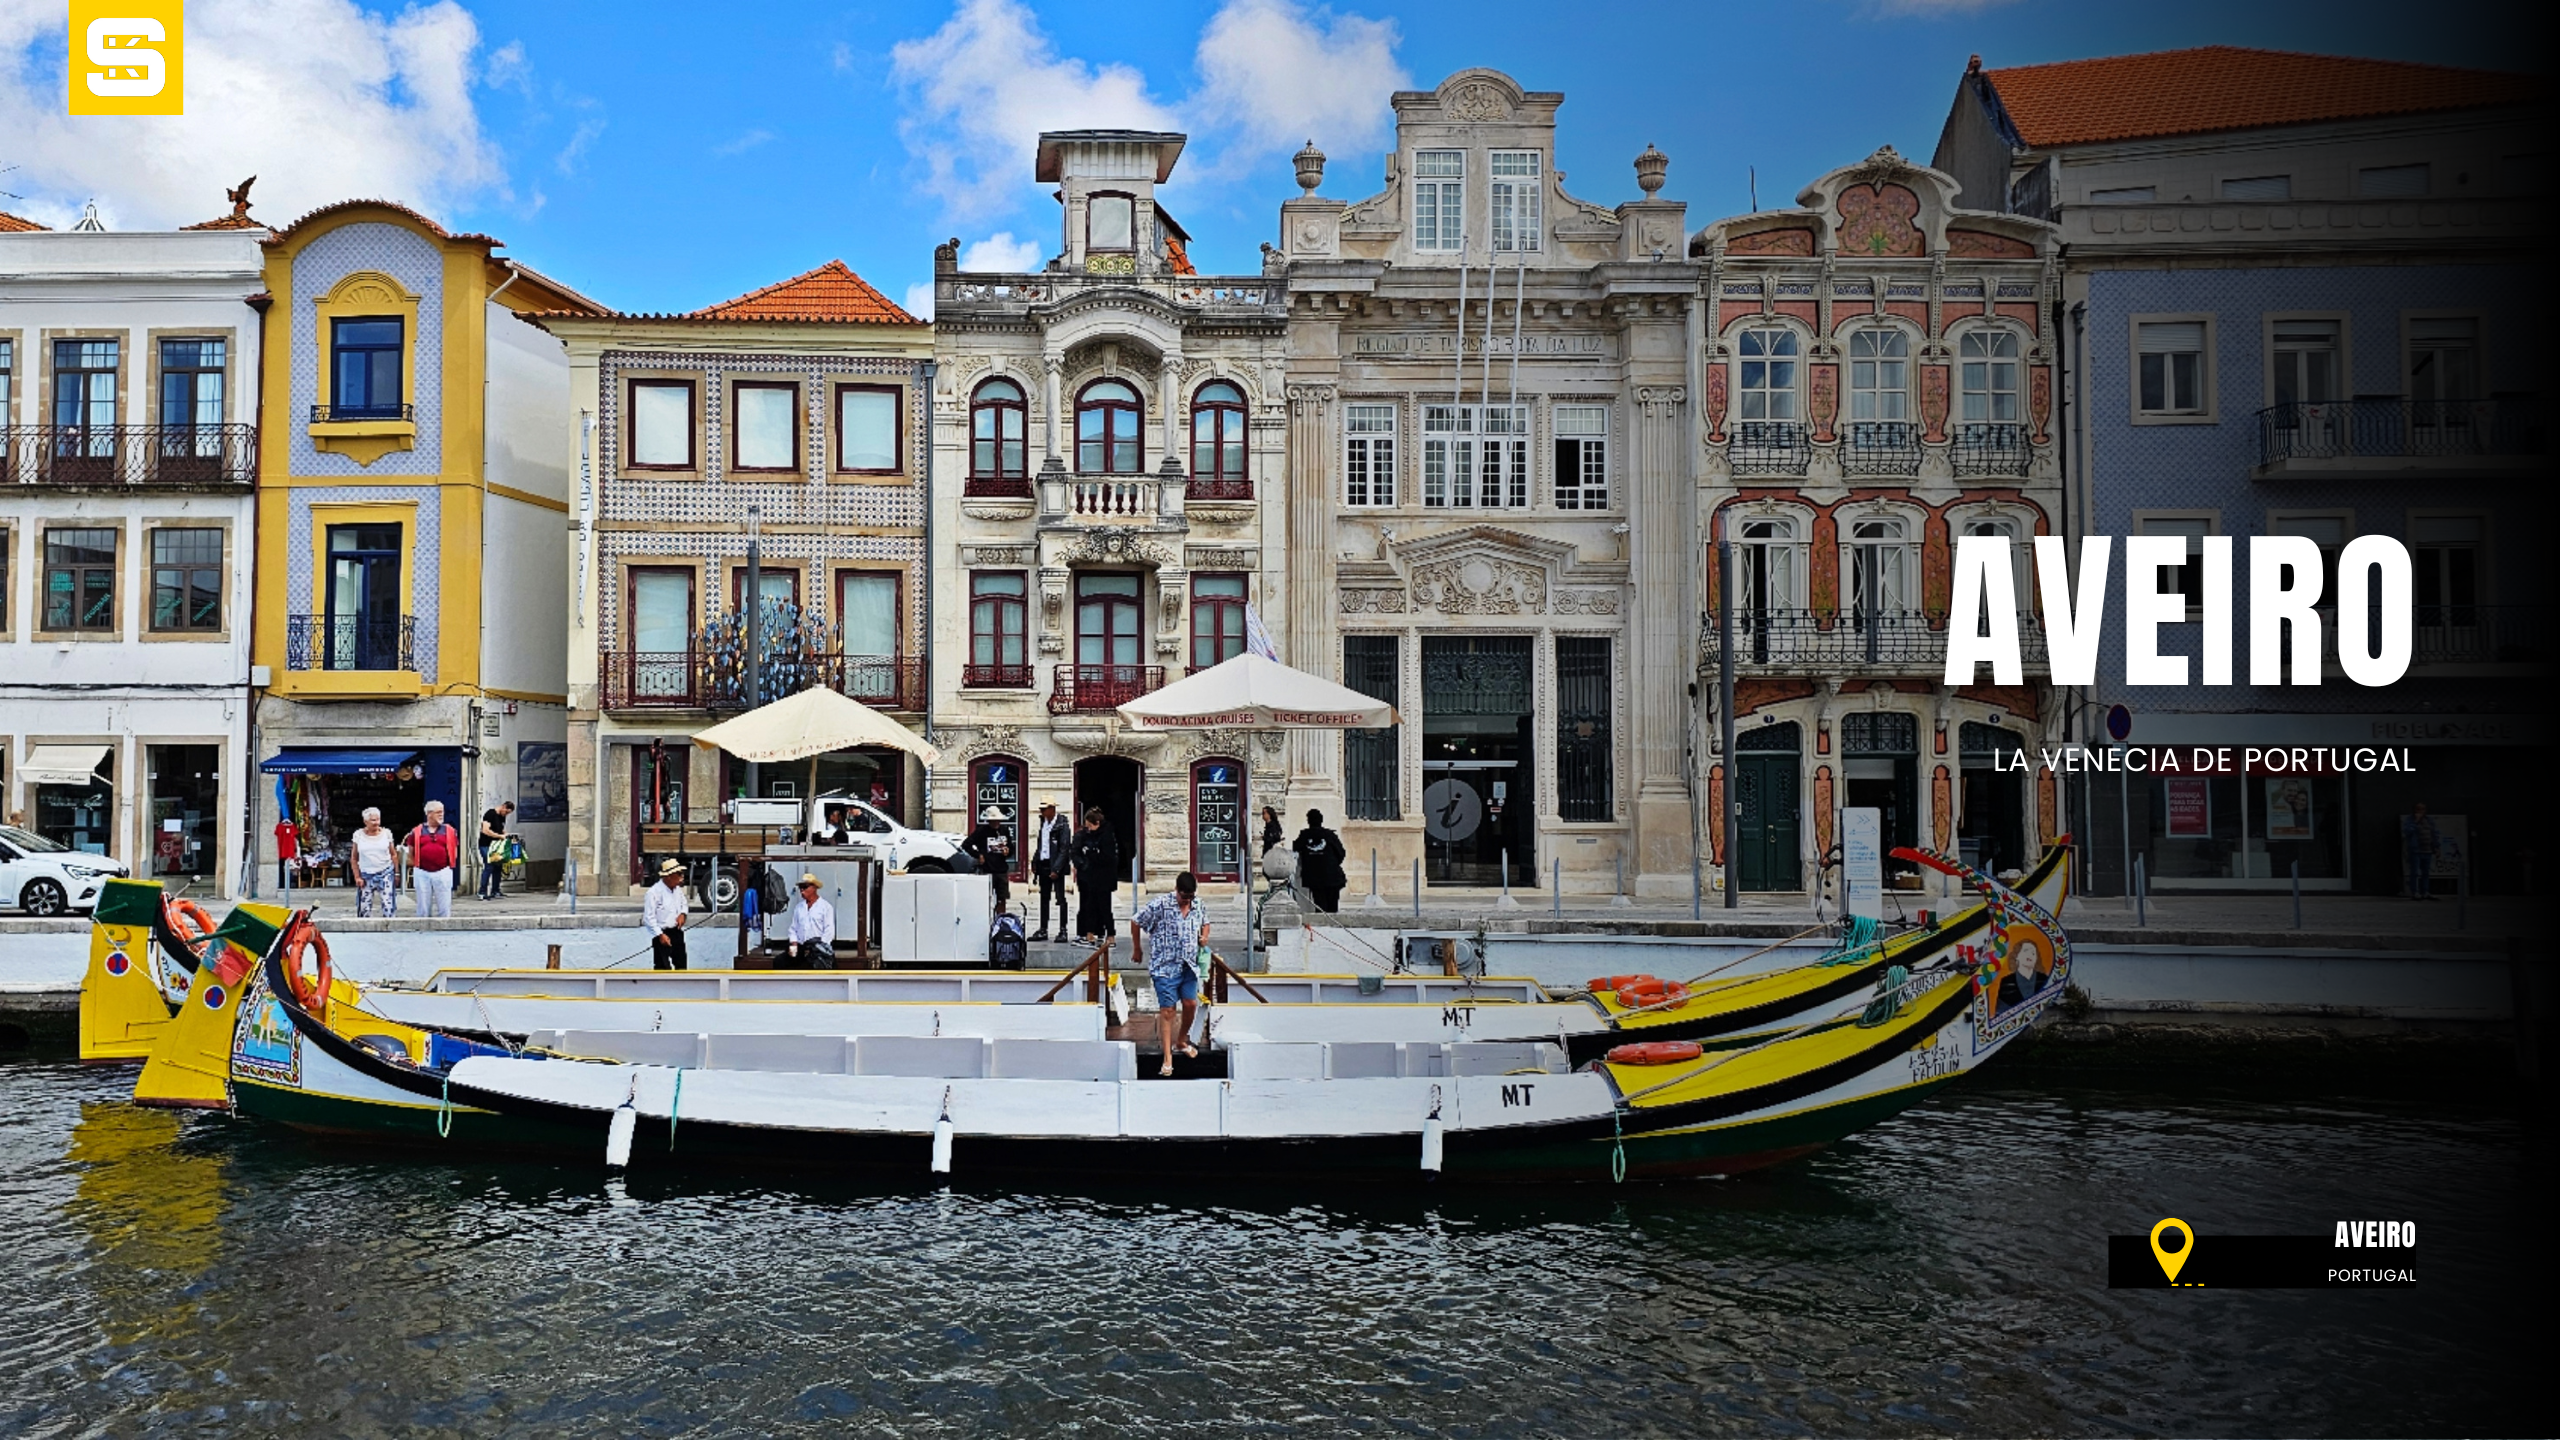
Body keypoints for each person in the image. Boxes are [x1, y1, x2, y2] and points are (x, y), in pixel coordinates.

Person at [1131, 871, 1210, 1078]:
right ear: (1177, 890)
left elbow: (1206, 922)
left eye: (1191, 897)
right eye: (1184, 897)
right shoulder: (1161, 904)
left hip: (1189, 965)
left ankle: (1182, 1040)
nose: (1187, 901)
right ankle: (1167, 1057)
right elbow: (1136, 921)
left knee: (1191, 1004)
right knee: (1168, 1011)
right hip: (1164, 966)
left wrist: (1204, 937)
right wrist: (1137, 949)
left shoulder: (1198, 905)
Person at [1070, 807, 1121, 943]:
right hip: (1092, 877)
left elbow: (1108, 857)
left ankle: (1110, 934)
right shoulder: (1088, 835)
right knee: (1090, 906)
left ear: (1097, 823)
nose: (1088, 829)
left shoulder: (1106, 836)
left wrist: (1092, 854)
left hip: (1104, 878)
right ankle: (1089, 932)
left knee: (1105, 907)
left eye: (1090, 826)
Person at [403, 802, 460, 918]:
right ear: (429, 814)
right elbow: (411, 851)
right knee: (422, 906)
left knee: (444, 904)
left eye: (442, 812)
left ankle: (444, 928)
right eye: (438, 812)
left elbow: (455, 849)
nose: (441, 815)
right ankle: (423, 930)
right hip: (422, 871)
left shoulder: (450, 830)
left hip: (443, 870)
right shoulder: (416, 831)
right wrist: (417, 866)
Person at [1029, 797, 1074, 942]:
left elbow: (1064, 848)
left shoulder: (1062, 825)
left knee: (1060, 898)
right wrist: (1035, 861)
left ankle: (1063, 929)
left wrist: (1057, 868)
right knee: (1044, 898)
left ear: (1052, 809)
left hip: (1055, 865)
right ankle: (1043, 929)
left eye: (1044, 809)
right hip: (1044, 863)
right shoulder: (1044, 823)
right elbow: (1042, 845)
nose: (1041, 812)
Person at [1292, 808, 1347, 913]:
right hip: (1332, 877)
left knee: (1320, 906)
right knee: (1332, 908)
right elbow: (1341, 853)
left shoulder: (1304, 836)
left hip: (1314, 877)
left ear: (1308, 821)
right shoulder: (1330, 835)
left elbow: (1295, 849)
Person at [964, 805, 1015, 909]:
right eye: (994, 821)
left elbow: (1011, 847)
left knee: (1002, 899)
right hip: (987, 869)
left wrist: (1008, 852)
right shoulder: (981, 831)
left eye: (998, 820)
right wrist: (978, 855)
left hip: (1001, 869)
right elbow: (966, 845)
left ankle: (1000, 920)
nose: (996, 823)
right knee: (985, 898)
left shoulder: (1004, 830)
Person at [350, 808, 397, 917]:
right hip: (366, 874)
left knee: (388, 905)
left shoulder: (387, 833)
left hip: (385, 872)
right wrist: (357, 876)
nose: (376, 823)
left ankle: (390, 930)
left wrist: (397, 873)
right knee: (364, 907)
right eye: (373, 820)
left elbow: (393, 854)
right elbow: (354, 858)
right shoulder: (358, 835)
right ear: (365, 822)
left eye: (378, 820)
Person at [644, 858, 690, 969]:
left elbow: (684, 904)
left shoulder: (677, 890)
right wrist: (660, 935)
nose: (681, 877)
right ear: (668, 876)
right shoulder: (653, 892)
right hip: (661, 933)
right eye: (678, 874)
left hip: (676, 931)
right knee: (662, 967)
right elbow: (649, 918)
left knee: (681, 965)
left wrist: (682, 914)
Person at [784, 872, 835, 968]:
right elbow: (793, 928)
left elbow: (829, 931)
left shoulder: (826, 907)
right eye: (801, 888)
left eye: (805, 887)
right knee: (780, 962)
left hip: (818, 948)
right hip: (801, 947)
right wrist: (794, 943)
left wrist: (820, 948)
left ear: (814, 888)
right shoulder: (799, 907)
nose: (802, 890)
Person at [2402, 802, 2440, 901]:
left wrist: (2436, 847)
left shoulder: (2429, 820)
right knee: (2414, 872)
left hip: (2427, 849)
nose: (2420, 812)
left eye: (2422, 809)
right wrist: (2416, 821)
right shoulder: (2410, 820)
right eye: (2418, 809)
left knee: (2426, 872)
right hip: (2416, 850)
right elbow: (2407, 831)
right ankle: (2415, 892)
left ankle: (2425, 891)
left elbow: (2434, 834)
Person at [478, 800, 514, 900]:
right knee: (489, 866)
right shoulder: (490, 814)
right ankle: (482, 891)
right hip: (486, 845)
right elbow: (485, 830)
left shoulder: (502, 817)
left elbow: (500, 829)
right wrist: (499, 836)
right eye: (506, 812)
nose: (506, 814)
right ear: (503, 807)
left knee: (498, 867)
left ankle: (495, 890)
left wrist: (505, 835)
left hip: (496, 846)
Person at [274, 817, 299, 892]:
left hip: (288, 850)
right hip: (285, 850)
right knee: (286, 867)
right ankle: (285, 884)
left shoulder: (292, 827)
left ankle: (288, 883)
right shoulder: (280, 827)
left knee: (289, 867)